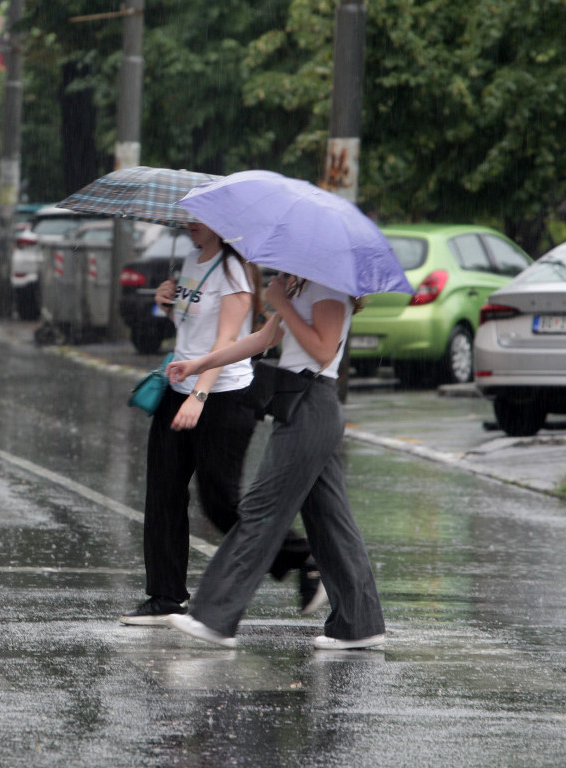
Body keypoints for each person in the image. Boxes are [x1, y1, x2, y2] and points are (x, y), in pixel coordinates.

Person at [164, 273, 386, 650]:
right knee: (330, 520)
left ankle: (213, 617)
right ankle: (359, 625)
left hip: (311, 407)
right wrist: (200, 363)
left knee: (261, 509)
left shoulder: (327, 286)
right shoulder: (302, 286)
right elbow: (264, 339)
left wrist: (281, 302)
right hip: (300, 407)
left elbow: (324, 350)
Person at [121, 223, 323, 627]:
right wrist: (166, 302)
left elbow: (226, 341)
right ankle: (165, 595)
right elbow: (193, 330)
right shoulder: (190, 261)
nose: (192, 223)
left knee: (219, 501)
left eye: (202, 216)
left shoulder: (234, 269)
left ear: (222, 224)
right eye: (189, 216)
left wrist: (200, 396)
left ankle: (304, 558)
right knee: (163, 492)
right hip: (178, 386)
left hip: (226, 396)